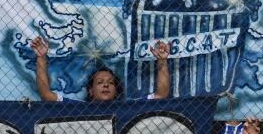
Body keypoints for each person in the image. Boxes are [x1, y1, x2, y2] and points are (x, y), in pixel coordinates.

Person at [32, 37, 169, 102]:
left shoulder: (128, 108)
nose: (106, 85)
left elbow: (161, 95)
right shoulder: (79, 109)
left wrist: (162, 60)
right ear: (91, 91)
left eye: (110, 82)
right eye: (99, 82)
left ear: (116, 90)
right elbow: (46, 94)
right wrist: (41, 57)